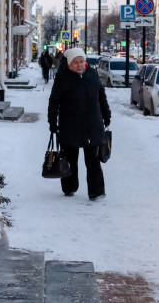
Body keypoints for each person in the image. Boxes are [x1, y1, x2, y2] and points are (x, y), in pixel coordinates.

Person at [47, 47, 111, 201]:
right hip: (70, 126)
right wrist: (52, 122)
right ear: (69, 64)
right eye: (75, 62)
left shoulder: (92, 75)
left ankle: (96, 191)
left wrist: (106, 115)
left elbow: (101, 97)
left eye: (82, 61)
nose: (79, 65)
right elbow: (54, 102)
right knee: (70, 160)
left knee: (93, 161)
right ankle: (69, 187)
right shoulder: (62, 78)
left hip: (92, 125)